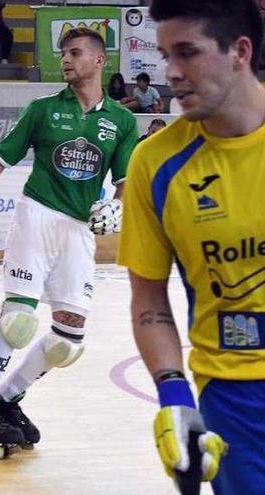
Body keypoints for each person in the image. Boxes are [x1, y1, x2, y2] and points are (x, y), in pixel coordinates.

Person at [0, 27, 137, 449]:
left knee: (68, 340)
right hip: (37, 216)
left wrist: (118, 205)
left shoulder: (121, 121)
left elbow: (124, 181)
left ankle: (7, 400)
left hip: (79, 230)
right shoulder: (43, 109)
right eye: (64, 53)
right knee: (19, 321)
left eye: (75, 53)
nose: (66, 60)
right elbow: (0, 157)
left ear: (100, 61)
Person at [117, 1, 264, 493]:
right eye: (165, 56)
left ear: (240, 51)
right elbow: (150, 299)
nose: (172, 74)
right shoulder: (155, 164)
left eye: (188, 53)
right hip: (234, 399)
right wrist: (174, 396)